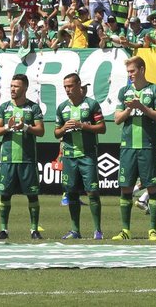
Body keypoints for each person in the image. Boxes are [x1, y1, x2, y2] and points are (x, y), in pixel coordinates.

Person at [112, 56, 156, 241]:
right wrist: (129, 110)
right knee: (126, 188)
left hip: (147, 146)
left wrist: (141, 106)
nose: (130, 75)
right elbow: (117, 119)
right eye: (128, 72)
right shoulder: (124, 91)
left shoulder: (155, 90)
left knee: (153, 187)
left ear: (142, 69)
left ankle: (152, 230)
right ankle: (125, 230)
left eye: (133, 71)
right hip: (128, 147)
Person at [54, 73, 105, 240]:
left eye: (70, 86)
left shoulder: (91, 104)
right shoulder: (62, 108)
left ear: (78, 85)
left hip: (87, 155)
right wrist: (63, 129)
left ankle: (98, 230)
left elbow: (102, 128)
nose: (67, 90)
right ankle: (75, 230)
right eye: (65, 87)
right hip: (69, 156)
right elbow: (56, 132)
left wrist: (82, 125)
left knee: (92, 192)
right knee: (71, 193)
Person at [0, 73, 45, 240]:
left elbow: (41, 131)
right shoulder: (4, 107)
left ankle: (34, 230)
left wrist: (25, 127)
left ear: (25, 88)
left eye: (16, 86)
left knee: (32, 195)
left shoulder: (33, 108)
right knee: (5, 194)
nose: (13, 89)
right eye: (12, 86)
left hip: (27, 158)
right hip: (8, 158)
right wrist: (8, 128)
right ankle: (4, 230)